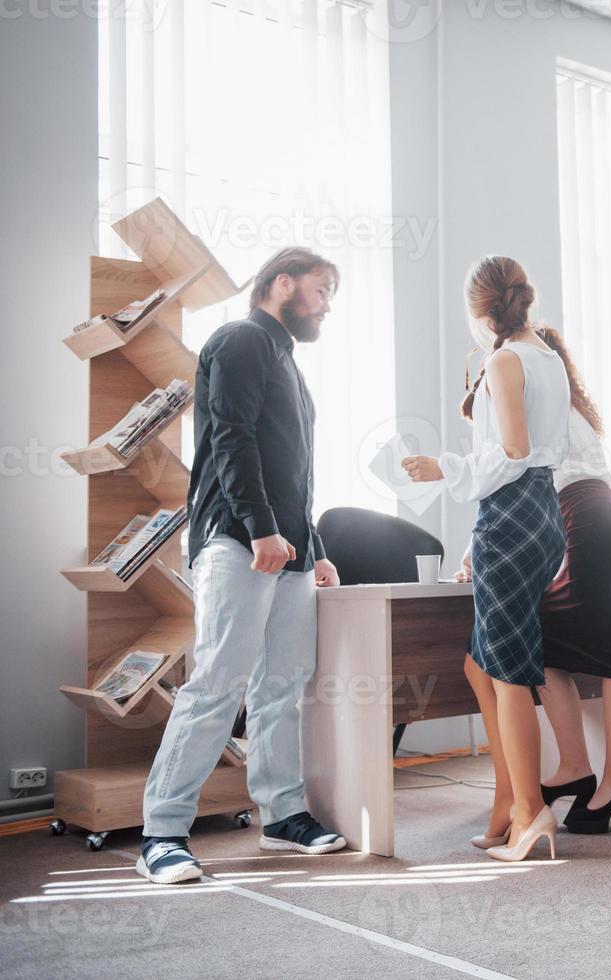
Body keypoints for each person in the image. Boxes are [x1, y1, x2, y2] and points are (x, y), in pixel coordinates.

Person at [137, 247, 346, 885]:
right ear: (282, 282)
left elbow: (294, 474)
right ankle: (162, 832)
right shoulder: (240, 340)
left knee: (282, 683)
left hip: (286, 548)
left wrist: (312, 547)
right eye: (321, 288)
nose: (326, 305)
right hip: (238, 540)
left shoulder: (288, 364)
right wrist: (260, 531)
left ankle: (282, 813)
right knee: (218, 681)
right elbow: (231, 437)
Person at [404, 256, 570, 863]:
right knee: (484, 668)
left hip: (513, 514)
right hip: (539, 512)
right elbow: (538, 451)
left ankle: (529, 812)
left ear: (479, 311)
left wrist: (442, 466)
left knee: (507, 673)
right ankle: (507, 799)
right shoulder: (548, 357)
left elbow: (514, 449)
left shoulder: (504, 359)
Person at [455, 327, 611, 837]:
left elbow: (516, 467)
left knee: (609, 651)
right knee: (546, 647)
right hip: (592, 515)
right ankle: (576, 768)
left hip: (583, 517)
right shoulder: (563, 399)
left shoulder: (536, 394)